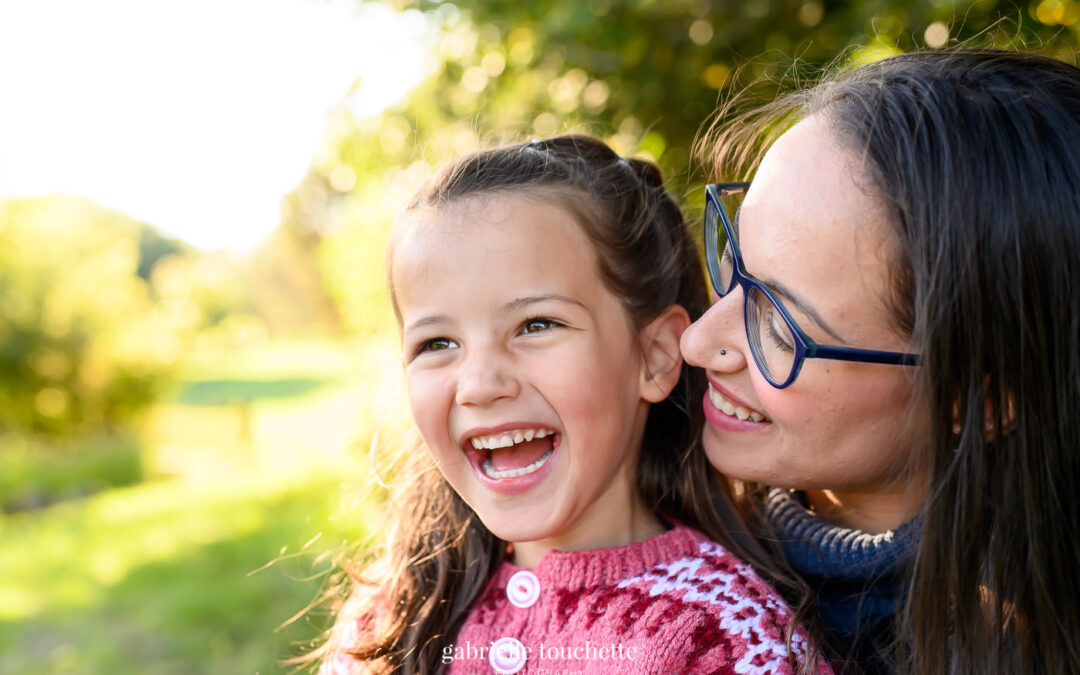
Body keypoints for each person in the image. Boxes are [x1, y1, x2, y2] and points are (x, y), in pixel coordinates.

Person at [316, 135, 830, 674]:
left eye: (536, 325)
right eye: (437, 344)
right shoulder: (390, 618)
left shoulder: (728, 641)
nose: (480, 385)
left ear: (653, 357)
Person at [682, 49, 1080, 674]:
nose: (698, 343)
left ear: (979, 400)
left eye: (780, 327)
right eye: (734, 260)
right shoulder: (650, 535)